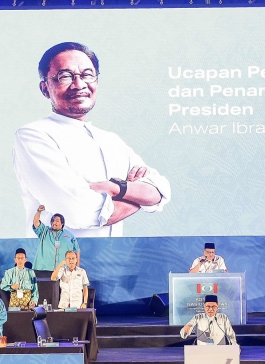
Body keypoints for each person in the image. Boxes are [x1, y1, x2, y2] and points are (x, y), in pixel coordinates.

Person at [13, 41, 172, 237]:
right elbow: (78, 212)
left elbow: (160, 191)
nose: (79, 84)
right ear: (45, 88)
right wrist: (136, 198)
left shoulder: (111, 141)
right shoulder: (33, 135)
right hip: (57, 263)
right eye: (64, 76)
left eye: (87, 75)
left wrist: (115, 188)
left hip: (115, 262)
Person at [32, 205, 81, 272]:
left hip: (63, 270)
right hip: (44, 269)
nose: (54, 222)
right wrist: (39, 211)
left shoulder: (69, 235)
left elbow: (77, 250)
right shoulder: (44, 231)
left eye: (57, 221)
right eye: (52, 220)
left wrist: (77, 267)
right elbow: (36, 223)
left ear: (62, 223)